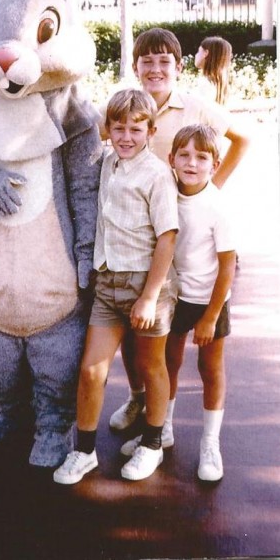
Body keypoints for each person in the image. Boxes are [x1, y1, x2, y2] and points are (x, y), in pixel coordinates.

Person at [108, 27, 249, 433]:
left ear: (179, 66)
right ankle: (139, 399)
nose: (155, 69)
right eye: (146, 62)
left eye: (163, 61)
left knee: (170, 335)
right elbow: (102, 136)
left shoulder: (193, 105)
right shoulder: (128, 106)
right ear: (136, 68)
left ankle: (162, 419)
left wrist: (210, 188)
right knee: (135, 327)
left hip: (182, 234)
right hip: (138, 236)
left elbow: (242, 139)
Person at [53, 88, 179, 484]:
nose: (126, 136)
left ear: (150, 131)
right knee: (91, 371)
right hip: (107, 285)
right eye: (119, 128)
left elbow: (168, 237)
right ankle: (84, 451)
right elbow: (83, 118)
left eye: (136, 130)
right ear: (108, 129)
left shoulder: (157, 174)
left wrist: (149, 296)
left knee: (149, 365)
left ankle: (153, 443)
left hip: (145, 284)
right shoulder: (107, 162)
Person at [121, 124, 236, 482]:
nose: (191, 162)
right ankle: (163, 428)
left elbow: (228, 267)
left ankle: (209, 443)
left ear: (214, 165)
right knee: (168, 362)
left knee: (210, 369)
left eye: (201, 157)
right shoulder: (166, 192)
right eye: (183, 155)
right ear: (170, 159)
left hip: (208, 299)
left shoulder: (217, 206)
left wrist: (211, 317)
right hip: (175, 295)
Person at [194, 36, 233, 106]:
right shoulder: (219, 84)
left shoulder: (205, 84)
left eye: (198, 51)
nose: (196, 55)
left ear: (205, 53)